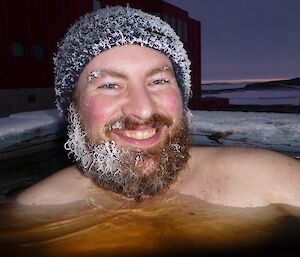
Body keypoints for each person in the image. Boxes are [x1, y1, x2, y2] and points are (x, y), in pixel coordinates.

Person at [16, 6, 300, 208]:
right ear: (72, 111)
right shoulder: (36, 208)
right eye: (110, 85)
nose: (141, 111)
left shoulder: (269, 181)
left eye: (159, 80)